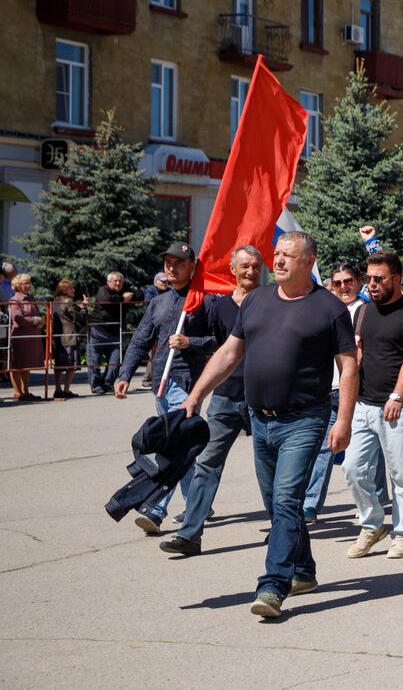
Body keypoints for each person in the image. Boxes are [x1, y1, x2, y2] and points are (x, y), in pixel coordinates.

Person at [181, 231, 357, 619]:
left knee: (285, 501)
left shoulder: (329, 308)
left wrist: (343, 419)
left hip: (305, 420)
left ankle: (273, 585)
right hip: (260, 420)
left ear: (308, 262)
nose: (277, 261)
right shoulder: (257, 300)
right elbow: (230, 353)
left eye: (287, 256)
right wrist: (196, 395)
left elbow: (348, 368)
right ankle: (305, 570)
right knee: (279, 505)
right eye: (276, 254)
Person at [160, 246, 262, 556]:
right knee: (206, 464)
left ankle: (287, 533)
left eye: (256, 266)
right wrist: (188, 341)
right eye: (244, 266)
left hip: (262, 398)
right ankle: (190, 535)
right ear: (233, 269)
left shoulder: (271, 302)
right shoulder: (217, 306)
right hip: (225, 397)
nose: (250, 271)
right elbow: (209, 344)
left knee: (269, 470)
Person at [114, 243, 212, 532]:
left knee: (171, 445)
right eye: (168, 262)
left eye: (179, 262)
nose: (172, 267)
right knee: (180, 446)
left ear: (192, 265)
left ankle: (156, 507)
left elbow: (223, 340)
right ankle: (197, 503)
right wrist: (125, 373)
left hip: (188, 384)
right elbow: (141, 340)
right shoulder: (158, 302)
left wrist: (190, 342)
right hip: (161, 383)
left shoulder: (204, 300)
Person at [343, 251, 403, 561]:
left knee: (402, 475)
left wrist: (397, 395)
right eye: (369, 278)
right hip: (363, 404)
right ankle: (372, 523)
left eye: (378, 278)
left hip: (399, 406)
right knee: (352, 468)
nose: (372, 284)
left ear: (396, 279)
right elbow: (359, 355)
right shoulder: (363, 312)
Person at [304, 263, 378, 521]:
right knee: (326, 447)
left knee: (366, 453)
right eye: (337, 283)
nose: (344, 287)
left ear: (359, 281)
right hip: (328, 389)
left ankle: (372, 502)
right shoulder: (327, 310)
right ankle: (310, 505)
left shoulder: (368, 310)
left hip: (360, 390)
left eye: (348, 281)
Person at [85, 271, 132, 395]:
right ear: (108, 282)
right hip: (98, 330)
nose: (118, 283)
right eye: (115, 281)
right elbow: (104, 299)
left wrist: (130, 295)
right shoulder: (103, 290)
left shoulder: (125, 289)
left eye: (120, 281)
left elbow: (138, 295)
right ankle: (95, 386)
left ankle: (108, 383)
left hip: (115, 332)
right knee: (94, 360)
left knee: (115, 361)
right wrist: (122, 298)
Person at [5, 274, 45, 401]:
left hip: (31, 336)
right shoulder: (14, 300)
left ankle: (26, 391)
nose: (28, 286)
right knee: (17, 365)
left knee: (26, 365)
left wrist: (41, 322)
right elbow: (19, 319)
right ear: (18, 285)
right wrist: (35, 320)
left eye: (29, 283)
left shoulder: (30, 298)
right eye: (25, 283)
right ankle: (18, 392)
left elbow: (38, 314)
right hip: (20, 337)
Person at [51, 279, 84, 399]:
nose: (73, 290)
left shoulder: (55, 302)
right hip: (70, 336)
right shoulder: (69, 301)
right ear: (65, 290)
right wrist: (83, 308)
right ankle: (66, 389)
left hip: (58, 336)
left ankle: (57, 389)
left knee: (59, 365)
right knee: (71, 364)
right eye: (71, 288)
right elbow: (77, 316)